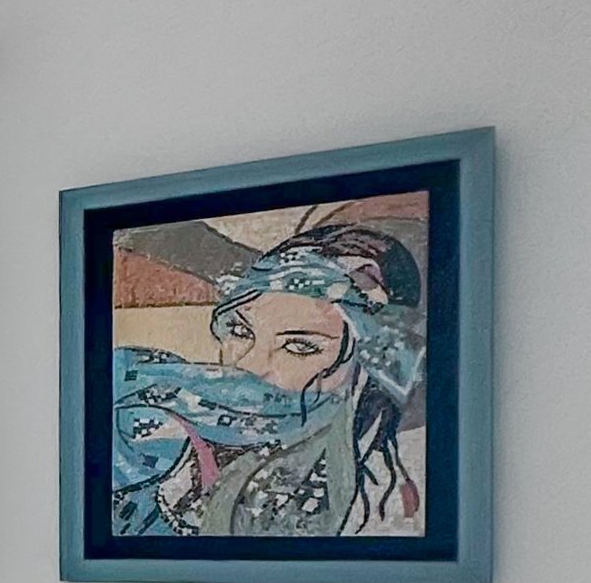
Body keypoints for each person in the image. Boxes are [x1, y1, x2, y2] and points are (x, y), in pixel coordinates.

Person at [111, 220, 424, 540]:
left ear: (363, 369)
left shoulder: (379, 495)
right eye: (240, 331)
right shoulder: (147, 400)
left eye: (300, 346)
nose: (248, 364)